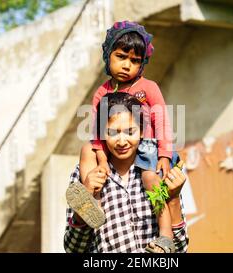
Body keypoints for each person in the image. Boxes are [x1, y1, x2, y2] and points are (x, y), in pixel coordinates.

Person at [77, 21, 178, 249]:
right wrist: (101, 162)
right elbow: (96, 133)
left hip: (146, 147)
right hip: (111, 147)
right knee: (86, 150)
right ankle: (93, 202)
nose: (127, 65)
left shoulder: (148, 87)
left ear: (142, 64)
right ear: (108, 55)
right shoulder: (101, 93)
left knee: (151, 179)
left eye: (135, 61)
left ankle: (165, 234)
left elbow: (161, 120)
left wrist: (164, 154)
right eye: (121, 57)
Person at [64, 92, 188, 253]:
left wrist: (173, 199)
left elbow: (181, 248)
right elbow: (73, 249)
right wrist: (85, 199)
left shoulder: (157, 167)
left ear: (142, 131)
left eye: (130, 132)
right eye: (112, 132)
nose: (122, 142)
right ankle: (93, 203)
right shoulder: (85, 175)